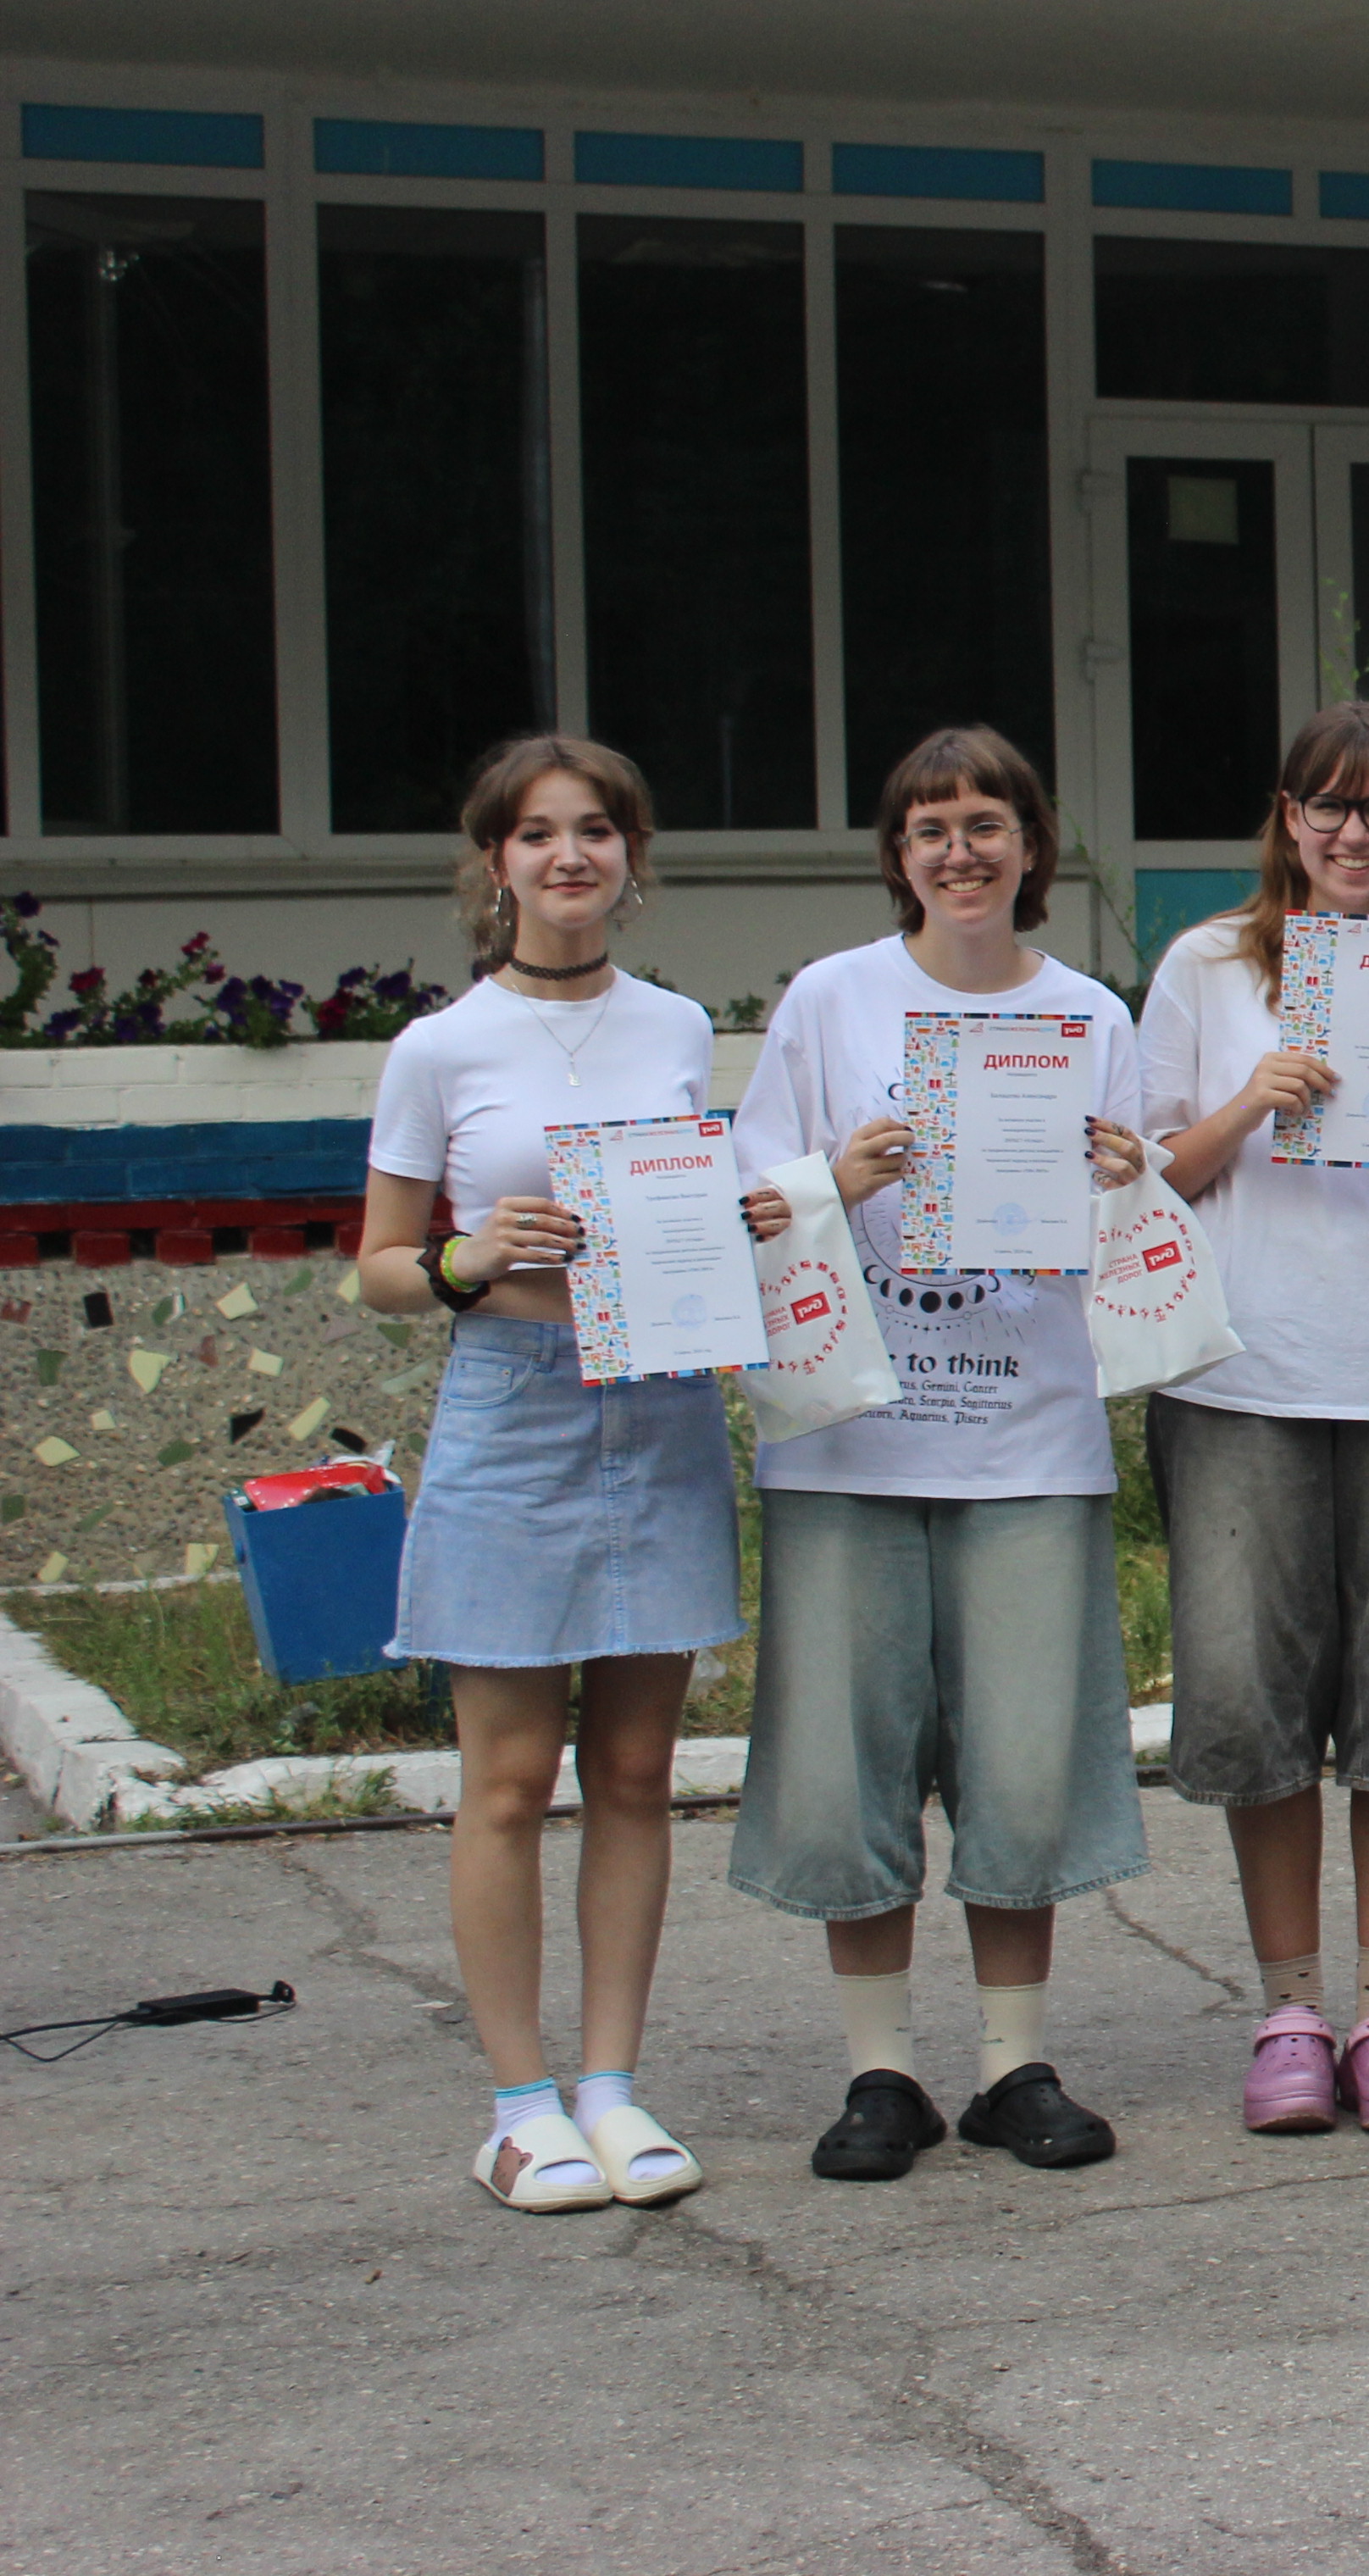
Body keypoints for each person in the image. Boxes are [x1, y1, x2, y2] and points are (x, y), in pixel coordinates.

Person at [727, 724, 1154, 2180]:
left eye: (986, 825)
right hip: (851, 1438)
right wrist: (830, 1178)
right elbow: (749, 1203)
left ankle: (1011, 2063)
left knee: (1024, 1760)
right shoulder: (831, 1001)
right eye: (931, 830)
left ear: (1033, 848)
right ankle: (882, 2071)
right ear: (897, 857)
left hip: (1027, 1439)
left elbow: (1136, 1233)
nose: (960, 852)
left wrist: (1123, 1179)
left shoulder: (1088, 1013)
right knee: (848, 1758)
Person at [364, 736, 783, 2212]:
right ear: (497, 863)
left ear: (630, 858)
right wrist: (468, 1257)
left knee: (633, 1772)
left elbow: (689, 1217)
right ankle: (518, 2108)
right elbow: (380, 1267)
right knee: (505, 1780)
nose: (568, 857)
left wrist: (737, 1221)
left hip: (659, 1408)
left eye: (595, 831)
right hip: (512, 1406)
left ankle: (610, 2086)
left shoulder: (676, 1028)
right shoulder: (440, 1047)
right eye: (538, 834)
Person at [1141, 702, 1369, 2136]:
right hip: (1243, 1375)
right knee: (1253, 1699)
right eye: (1329, 805)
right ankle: (1291, 2009)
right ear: (1288, 819)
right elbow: (1148, 1178)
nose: (1356, 832)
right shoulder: (1208, 965)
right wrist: (1250, 1102)